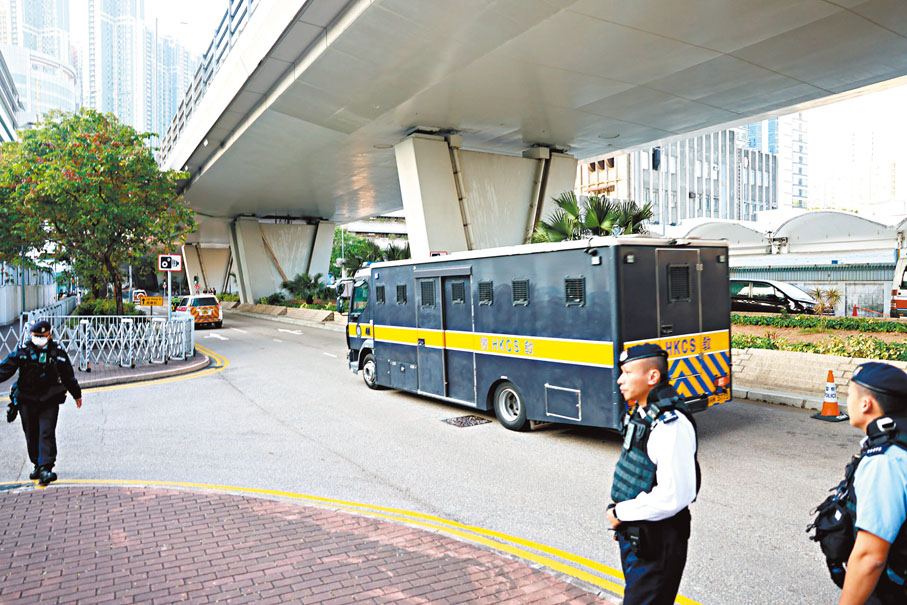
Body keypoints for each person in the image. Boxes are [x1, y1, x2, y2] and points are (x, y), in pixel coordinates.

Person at [605, 343, 700, 605]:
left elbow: (674, 496)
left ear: (652, 376)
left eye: (627, 372)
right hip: (640, 539)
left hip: (658, 541)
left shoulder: (670, 425)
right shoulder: (643, 414)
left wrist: (620, 513)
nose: (620, 380)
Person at [834, 362, 907, 604]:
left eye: (850, 395)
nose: (847, 401)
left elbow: (870, 557)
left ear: (865, 404)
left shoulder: (885, 462)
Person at [2, 320, 82, 486]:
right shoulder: (23, 351)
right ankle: (37, 465)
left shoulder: (57, 353)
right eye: (36, 336)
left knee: (46, 431)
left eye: (42, 336)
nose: (38, 339)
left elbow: (68, 375)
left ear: (49, 335)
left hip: (49, 399)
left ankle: (46, 467)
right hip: (27, 399)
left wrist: (77, 395)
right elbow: (5, 369)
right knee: (31, 434)